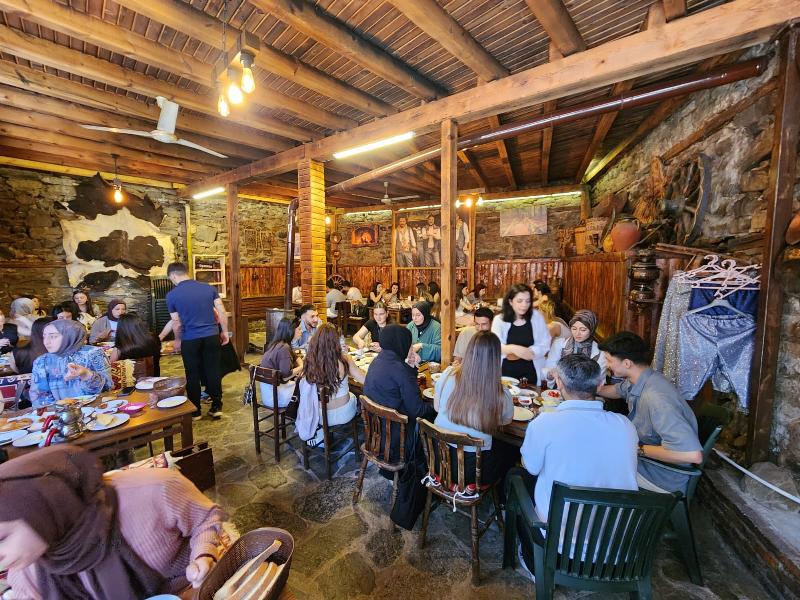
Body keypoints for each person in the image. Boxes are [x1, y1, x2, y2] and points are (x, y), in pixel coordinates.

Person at [2, 445, 226, 599]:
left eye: (2, 538)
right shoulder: (27, 569)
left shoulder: (154, 491)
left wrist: (203, 555)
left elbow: (205, 518)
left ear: (39, 511)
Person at [516, 354, 639, 574]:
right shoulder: (625, 426)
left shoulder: (544, 423)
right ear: (600, 385)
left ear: (559, 383)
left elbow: (530, 467)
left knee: (516, 478)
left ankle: (533, 562)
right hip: (614, 553)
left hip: (560, 552)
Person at [597, 331, 703, 494]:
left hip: (661, 476)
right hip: (647, 461)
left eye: (609, 360)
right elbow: (618, 390)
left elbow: (691, 455)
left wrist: (637, 449)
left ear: (627, 363)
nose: (607, 364)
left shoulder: (657, 398)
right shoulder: (642, 378)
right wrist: (588, 388)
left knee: (595, 462)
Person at [434, 331, 516, 485]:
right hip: (473, 473)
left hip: (440, 461)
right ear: (495, 359)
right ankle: (502, 496)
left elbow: (437, 408)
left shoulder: (447, 374)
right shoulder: (500, 393)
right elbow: (505, 421)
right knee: (510, 451)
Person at [363, 324, 436, 463]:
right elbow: (417, 410)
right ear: (401, 344)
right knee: (433, 416)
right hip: (396, 440)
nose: (411, 348)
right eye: (410, 345)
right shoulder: (401, 370)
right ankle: (425, 464)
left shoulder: (376, 361)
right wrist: (436, 407)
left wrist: (411, 367)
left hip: (376, 433)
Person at [166, 262, 229, 420]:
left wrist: (177, 339)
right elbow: (222, 311)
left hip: (190, 339)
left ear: (173, 275)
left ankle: (196, 411)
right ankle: (216, 406)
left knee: (192, 374)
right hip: (211, 336)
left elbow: (176, 322)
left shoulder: (172, 295)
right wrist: (224, 332)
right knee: (213, 370)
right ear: (186, 272)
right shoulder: (208, 288)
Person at [299, 323, 365, 444]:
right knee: (357, 396)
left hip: (318, 414)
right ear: (336, 341)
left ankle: (322, 432)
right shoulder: (344, 359)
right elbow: (363, 380)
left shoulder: (310, 360)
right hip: (343, 413)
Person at [29, 319, 113, 408]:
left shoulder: (93, 353)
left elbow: (108, 388)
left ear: (69, 335)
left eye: (53, 336)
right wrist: (59, 411)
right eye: (44, 336)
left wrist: (86, 374)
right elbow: (38, 396)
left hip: (97, 408)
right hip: (60, 413)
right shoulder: (42, 361)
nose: (46, 342)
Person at [491, 283, 551, 385]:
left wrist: (530, 352)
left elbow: (545, 342)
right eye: (519, 301)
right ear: (510, 301)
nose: (524, 305)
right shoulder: (499, 320)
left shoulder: (536, 317)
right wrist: (513, 349)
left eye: (528, 301)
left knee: (530, 393)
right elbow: (495, 345)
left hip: (531, 369)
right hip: (506, 370)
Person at [542, 309, 607, 383]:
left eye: (583, 330)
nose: (577, 333)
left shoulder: (600, 353)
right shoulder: (559, 344)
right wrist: (550, 374)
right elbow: (548, 368)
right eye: (574, 328)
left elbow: (599, 381)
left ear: (592, 329)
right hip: (559, 388)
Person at [259, 317, 303, 408]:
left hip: (269, 394)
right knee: (307, 387)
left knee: (301, 382)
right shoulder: (284, 348)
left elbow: (295, 357)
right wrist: (302, 367)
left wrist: (301, 365)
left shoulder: (276, 344)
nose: (301, 331)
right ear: (291, 331)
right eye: (299, 329)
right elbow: (286, 376)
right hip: (276, 397)